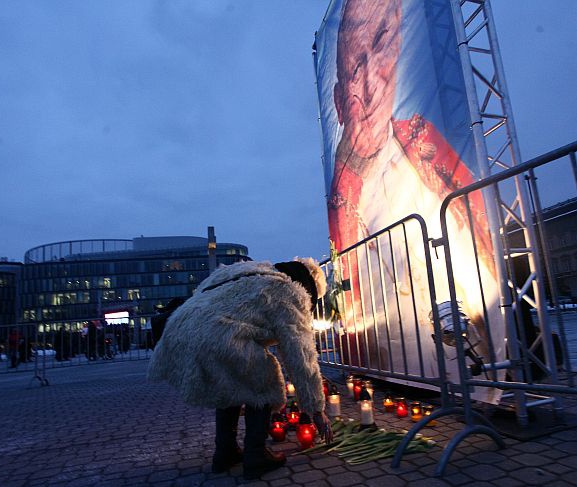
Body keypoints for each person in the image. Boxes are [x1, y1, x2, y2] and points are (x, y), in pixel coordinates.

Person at [325, 0, 502, 391]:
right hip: (417, 370)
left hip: (486, 366)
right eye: (355, 69)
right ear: (338, 99)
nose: (371, 84)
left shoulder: (427, 146)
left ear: (399, 48)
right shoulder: (343, 206)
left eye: (383, 43)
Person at [148, 258, 333, 479]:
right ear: (310, 288)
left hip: (180, 330)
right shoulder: (289, 292)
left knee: (232, 384)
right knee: (263, 380)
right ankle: (255, 455)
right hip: (218, 334)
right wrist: (316, 409)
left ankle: (224, 453)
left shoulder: (247, 272)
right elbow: (300, 354)